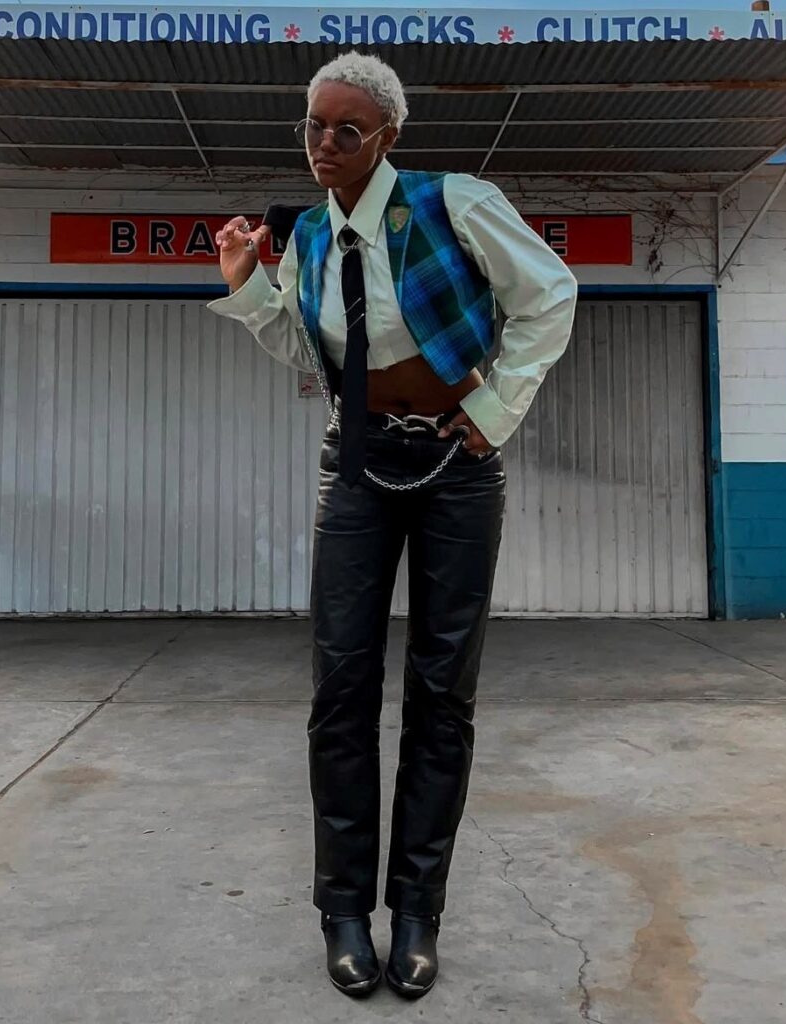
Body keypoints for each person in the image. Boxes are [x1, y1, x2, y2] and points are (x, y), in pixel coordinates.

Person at [210, 51, 577, 1000]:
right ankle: (343, 915)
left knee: (441, 694)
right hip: (359, 468)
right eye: (313, 127)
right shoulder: (311, 236)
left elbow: (551, 295)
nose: (324, 144)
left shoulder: (456, 203)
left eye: (347, 129)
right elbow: (310, 346)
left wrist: (496, 410)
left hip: (459, 466)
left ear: (388, 137)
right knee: (340, 690)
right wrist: (250, 282)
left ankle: (416, 914)